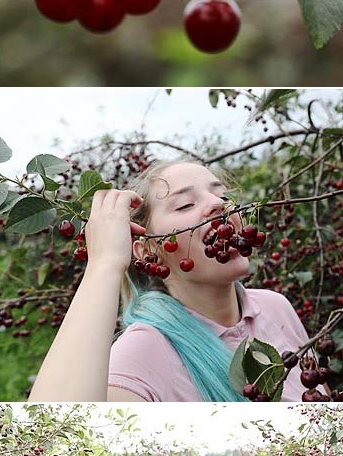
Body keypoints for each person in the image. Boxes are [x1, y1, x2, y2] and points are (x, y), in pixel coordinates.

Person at [28, 157, 327, 403]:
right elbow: (52, 425)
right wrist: (104, 263)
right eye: (185, 205)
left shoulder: (275, 307)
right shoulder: (144, 351)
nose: (218, 204)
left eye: (221, 195)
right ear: (150, 251)